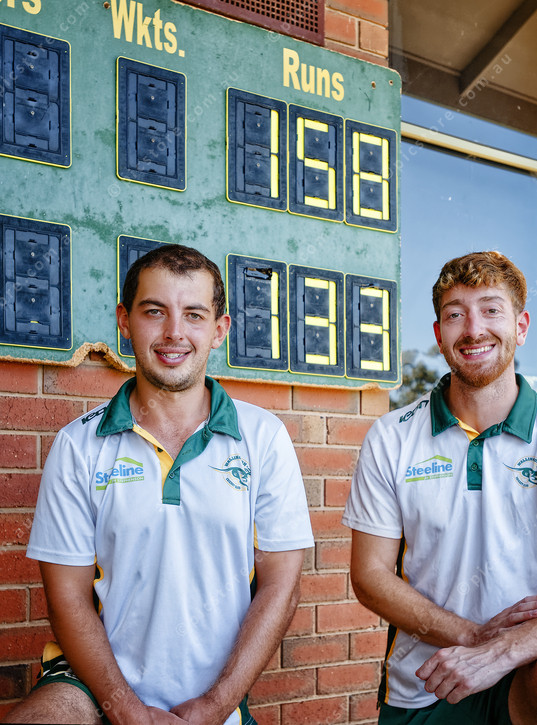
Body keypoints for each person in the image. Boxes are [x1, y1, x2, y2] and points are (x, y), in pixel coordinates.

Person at [6, 244, 314, 725]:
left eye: (194, 315)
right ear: (124, 322)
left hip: (215, 698)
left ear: (220, 330)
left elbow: (282, 584)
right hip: (94, 686)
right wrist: (126, 709)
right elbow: (66, 599)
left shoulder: (264, 438)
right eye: (154, 312)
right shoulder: (78, 445)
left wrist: (216, 705)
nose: (174, 332)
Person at [342, 251, 537, 725]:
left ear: (521, 326)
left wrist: (497, 654)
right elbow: (369, 576)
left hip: (526, 672)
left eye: (491, 310)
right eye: (456, 314)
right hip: (425, 681)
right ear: (439, 334)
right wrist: (473, 638)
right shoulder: (392, 437)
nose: (474, 330)